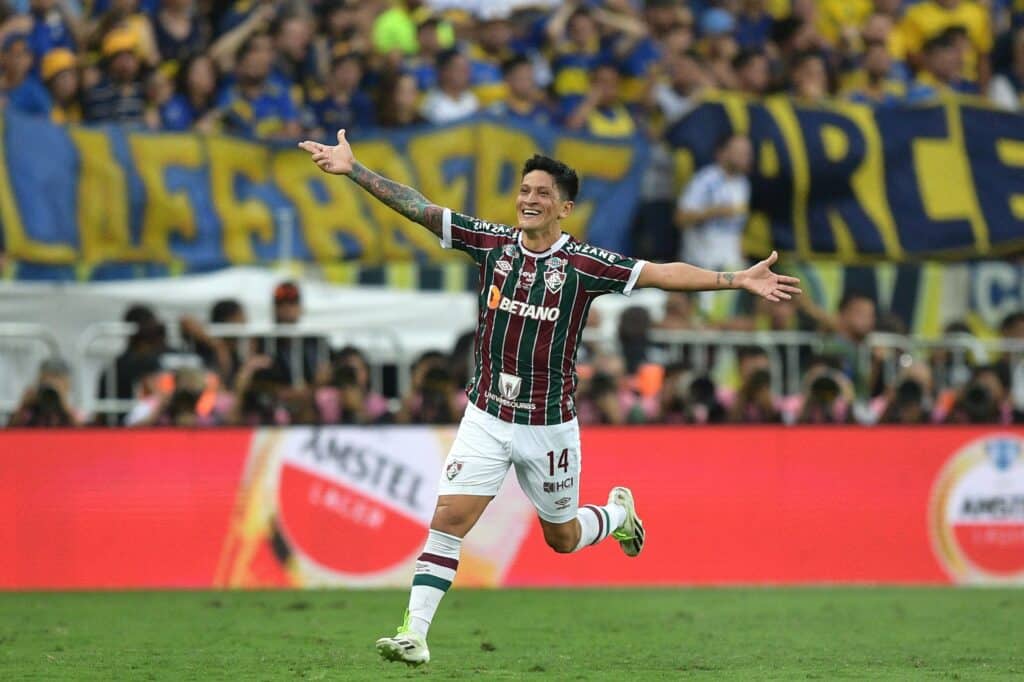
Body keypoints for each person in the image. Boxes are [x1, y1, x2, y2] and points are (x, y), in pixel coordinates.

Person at [298, 127, 800, 666]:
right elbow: (420, 208)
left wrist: (734, 279)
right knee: (448, 519)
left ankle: (615, 514)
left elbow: (662, 274)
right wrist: (355, 170)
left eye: (542, 194)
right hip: (487, 415)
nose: (529, 200)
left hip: (548, 426)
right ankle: (415, 635)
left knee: (560, 538)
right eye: (524, 190)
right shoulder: (490, 242)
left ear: (565, 207)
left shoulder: (584, 265)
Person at [674, 133, 753, 272]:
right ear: (722, 153)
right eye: (739, 152)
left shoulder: (743, 184)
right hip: (702, 264)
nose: (746, 157)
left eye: (748, 153)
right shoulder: (705, 180)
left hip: (731, 265)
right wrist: (714, 212)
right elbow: (680, 218)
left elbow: (737, 229)